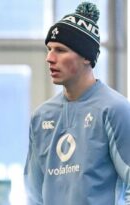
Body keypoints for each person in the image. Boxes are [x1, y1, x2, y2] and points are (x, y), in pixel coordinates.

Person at [24, 2, 130, 205]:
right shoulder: (41, 116)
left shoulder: (115, 109)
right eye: (49, 49)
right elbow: (33, 194)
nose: (49, 58)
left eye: (60, 50)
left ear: (86, 57)